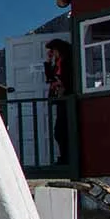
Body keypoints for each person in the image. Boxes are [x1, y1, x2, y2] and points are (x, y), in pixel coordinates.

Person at [44, 38, 73, 166]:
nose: (52, 53)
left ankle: (66, 159)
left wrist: (60, 82)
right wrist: (48, 62)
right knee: (60, 131)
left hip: (66, 97)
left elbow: (67, 79)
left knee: (62, 131)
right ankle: (63, 157)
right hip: (60, 99)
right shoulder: (58, 63)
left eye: (53, 50)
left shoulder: (67, 62)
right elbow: (49, 77)